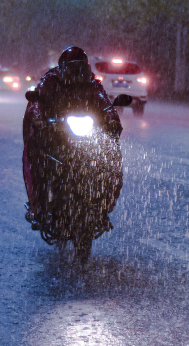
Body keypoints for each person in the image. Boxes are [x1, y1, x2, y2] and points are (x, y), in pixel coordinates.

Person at [23, 46, 122, 228]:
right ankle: (39, 206)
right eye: (72, 67)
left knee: (111, 160)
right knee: (37, 158)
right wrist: (40, 121)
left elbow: (105, 103)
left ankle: (103, 207)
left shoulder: (93, 84)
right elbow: (36, 105)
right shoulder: (50, 81)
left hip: (86, 135)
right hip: (55, 132)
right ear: (63, 67)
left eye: (81, 67)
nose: (77, 71)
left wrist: (113, 121)